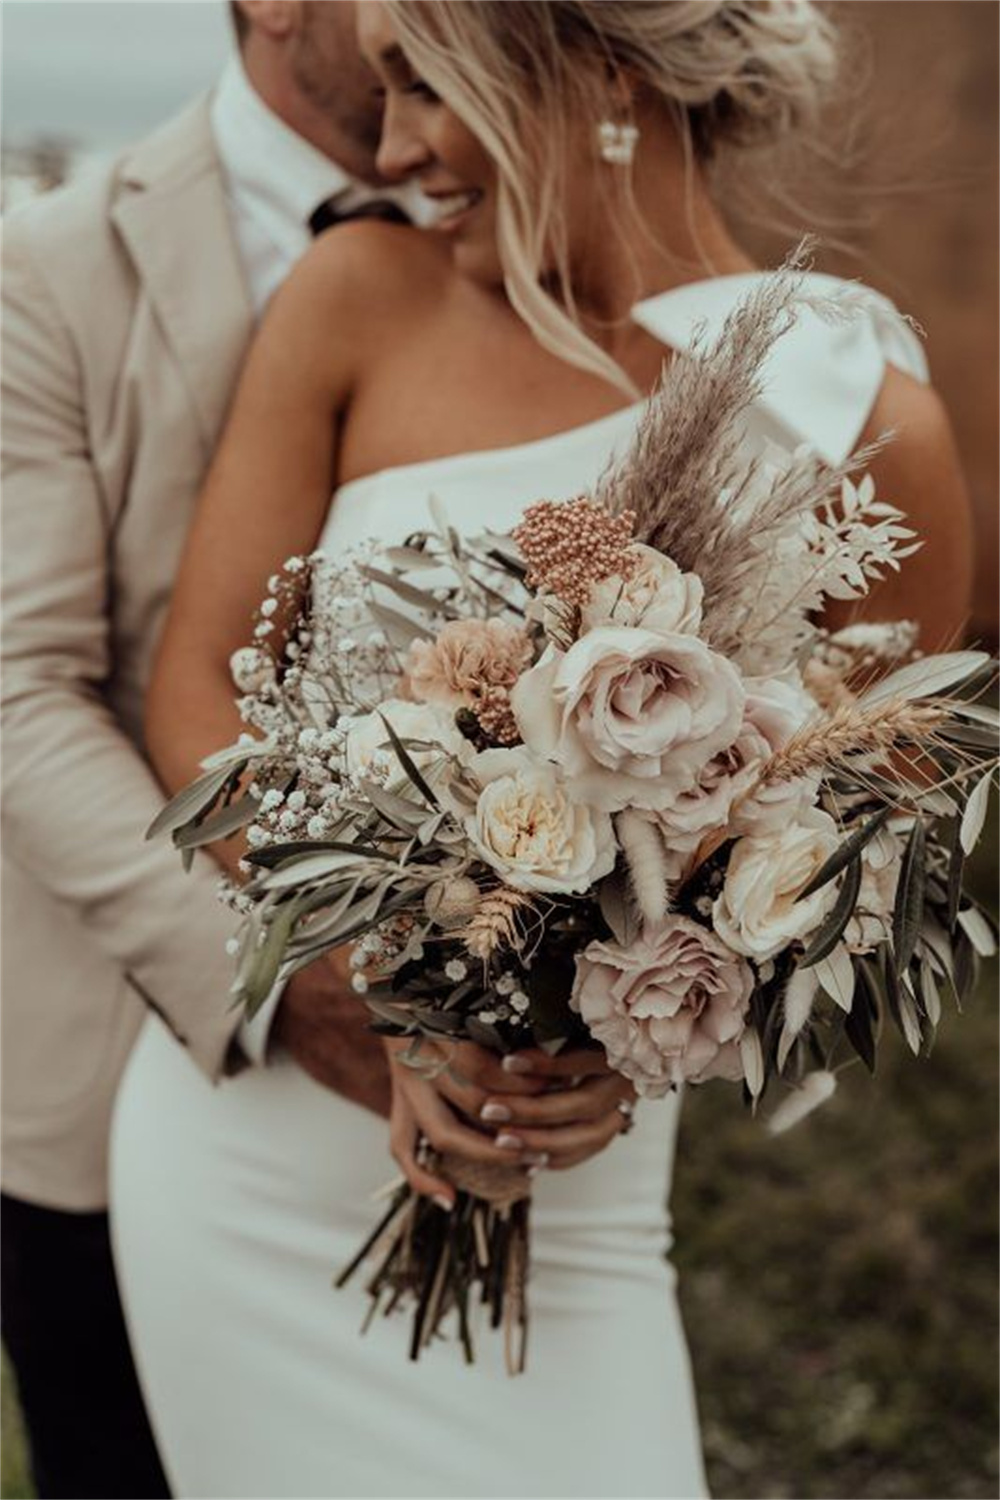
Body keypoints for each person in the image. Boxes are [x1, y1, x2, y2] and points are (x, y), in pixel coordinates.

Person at [111, 1, 974, 1496]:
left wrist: (645, 1041)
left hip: (567, 1186)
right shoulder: (354, 295)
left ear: (594, 69)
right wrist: (363, 972)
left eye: (421, 87)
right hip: (254, 1160)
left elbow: (853, 857)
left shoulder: (861, 416)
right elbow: (196, 693)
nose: (392, 149)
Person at [0, 4, 442, 1494]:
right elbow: (19, 691)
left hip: (458, 1073)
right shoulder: (46, 264)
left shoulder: (521, 246)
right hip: (125, 1040)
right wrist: (284, 983)